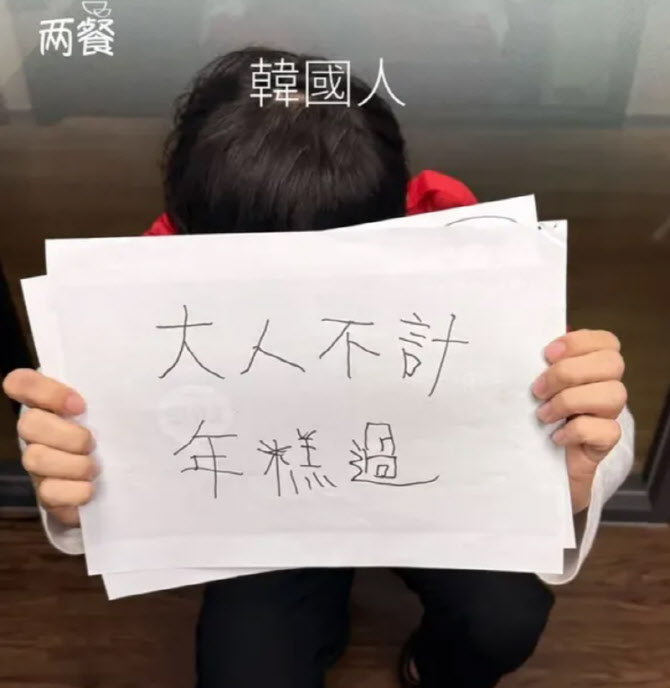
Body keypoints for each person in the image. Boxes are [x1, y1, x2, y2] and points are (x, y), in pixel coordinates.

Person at [2, 47, 633, 688]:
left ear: (398, 209)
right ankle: (319, 623)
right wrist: (77, 488)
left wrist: (574, 472)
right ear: (190, 227)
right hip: (266, 492)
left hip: (425, 474)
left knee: (502, 621)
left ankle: (434, 667)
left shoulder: (463, 247)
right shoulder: (148, 290)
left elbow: (578, 411)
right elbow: (110, 446)